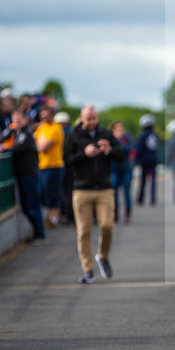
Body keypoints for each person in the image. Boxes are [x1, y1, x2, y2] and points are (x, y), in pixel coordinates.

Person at [63, 105, 126, 284]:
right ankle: (87, 269)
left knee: (107, 225)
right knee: (84, 230)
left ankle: (103, 256)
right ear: (82, 118)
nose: (92, 122)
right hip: (82, 189)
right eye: (88, 119)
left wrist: (109, 150)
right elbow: (66, 160)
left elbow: (122, 155)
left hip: (104, 188)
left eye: (94, 119)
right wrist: (84, 154)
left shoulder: (106, 133)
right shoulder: (74, 136)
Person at [0, 110, 46, 242]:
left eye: (19, 120)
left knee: (32, 205)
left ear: (25, 120)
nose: (16, 123)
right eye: (14, 120)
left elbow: (16, 149)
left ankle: (40, 234)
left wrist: (4, 149)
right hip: (24, 174)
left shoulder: (26, 133)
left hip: (29, 174)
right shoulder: (19, 133)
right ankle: (38, 233)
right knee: (26, 206)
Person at [34, 106, 65, 228]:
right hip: (42, 165)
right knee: (43, 192)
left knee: (53, 192)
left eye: (47, 114)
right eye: (42, 115)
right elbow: (35, 141)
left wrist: (38, 143)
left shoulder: (56, 128)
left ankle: (53, 218)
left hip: (54, 165)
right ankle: (50, 217)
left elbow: (42, 147)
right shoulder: (42, 127)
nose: (44, 117)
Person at [110, 121, 134, 224]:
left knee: (127, 193)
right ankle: (115, 214)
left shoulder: (126, 138)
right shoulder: (110, 138)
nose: (120, 131)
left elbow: (128, 149)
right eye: (117, 128)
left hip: (126, 170)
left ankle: (127, 215)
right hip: (114, 170)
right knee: (113, 193)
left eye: (121, 128)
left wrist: (116, 146)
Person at [135, 114, 160, 206]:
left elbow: (139, 148)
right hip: (153, 159)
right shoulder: (154, 135)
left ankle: (140, 198)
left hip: (145, 160)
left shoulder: (143, 135)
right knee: (153, 180)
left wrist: (136, 158)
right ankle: (152, 199)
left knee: (143, 179)